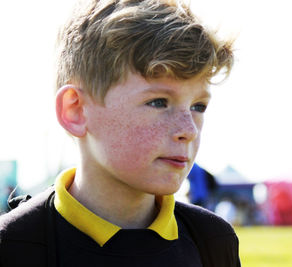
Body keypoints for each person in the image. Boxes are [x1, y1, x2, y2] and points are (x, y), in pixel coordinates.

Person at [0, 0, 240, 266]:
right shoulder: (13, 245)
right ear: (75, 110)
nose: (188, 130)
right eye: (159, 102)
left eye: (198, 106)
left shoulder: (212, 241)